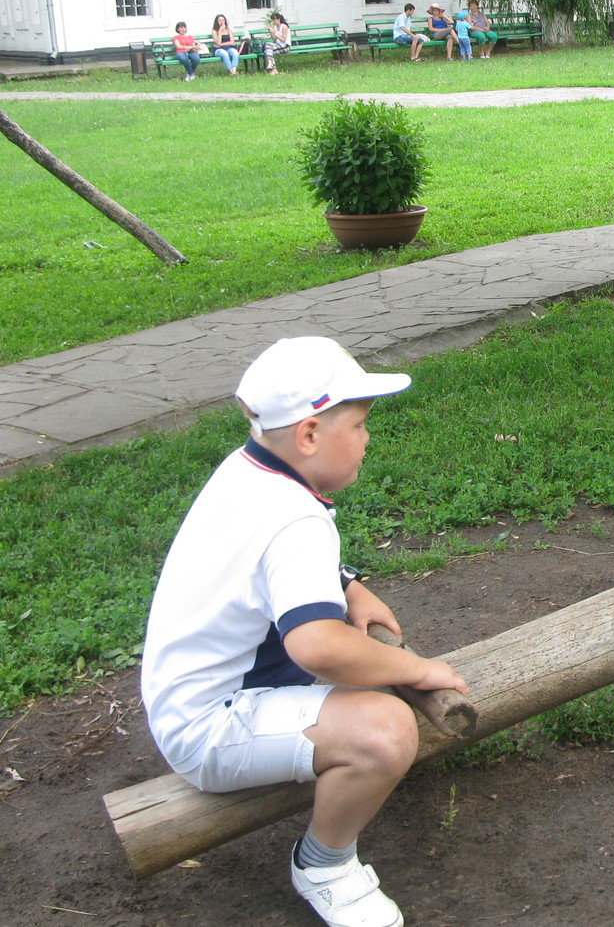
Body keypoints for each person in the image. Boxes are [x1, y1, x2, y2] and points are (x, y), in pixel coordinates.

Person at [141, 336, 468, 927]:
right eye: (360, 425)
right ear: (310, 435)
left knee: (367, 685)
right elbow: (317, 646)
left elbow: (265, 560)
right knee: (385, 730)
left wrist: (349, 585)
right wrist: (419, 670)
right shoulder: (294, 518)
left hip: (183, 697)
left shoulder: (249, 472)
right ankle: (325, 865)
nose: (368, 438)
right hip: (209, 727)